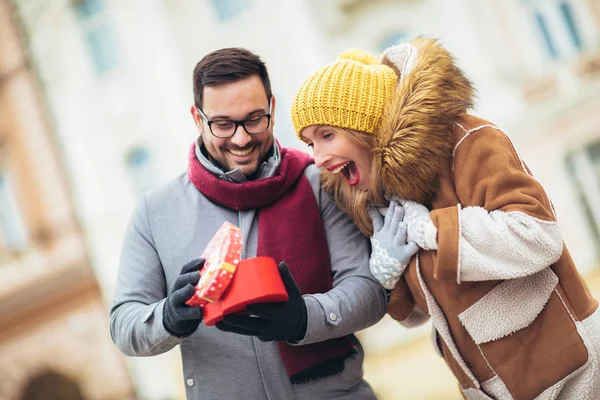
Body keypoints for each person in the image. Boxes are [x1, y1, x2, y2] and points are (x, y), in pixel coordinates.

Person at [291, 37, 600, 399]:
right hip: (489, 388)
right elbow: (415, 316)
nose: (318, 157)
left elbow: (538, 236)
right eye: (310, 142)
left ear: (369, 127)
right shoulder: (375, 198)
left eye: (328, 135)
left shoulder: (469, 141)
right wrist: (387, 275)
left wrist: (433, 229)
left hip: (570, 371)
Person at [109, 47, 387, 400]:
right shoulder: (154, 212)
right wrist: (168, 317)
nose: (241, 139)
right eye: (223, 124)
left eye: (254, 119)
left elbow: (369, 290)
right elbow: (123, 325)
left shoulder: (320, 184)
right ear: (197, 118)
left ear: (272, 109)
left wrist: (304, 317)